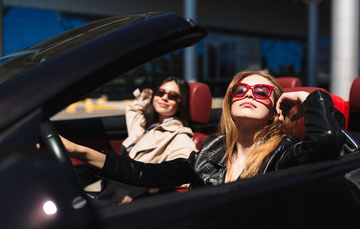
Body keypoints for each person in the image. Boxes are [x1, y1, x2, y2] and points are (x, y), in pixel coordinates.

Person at [62, 70, 345, 190]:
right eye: (240, 89)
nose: (249, 95)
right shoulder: (211, 149)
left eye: (261, 91)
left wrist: (311, 98)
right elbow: (146, 174)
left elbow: (325, 143)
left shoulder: (283, 153)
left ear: (275, 108)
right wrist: (77, 151)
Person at [63, 76, 197, 204]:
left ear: (181, 104)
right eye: (160, 92)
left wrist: (150, 188)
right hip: (107, 189)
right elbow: (134, 108)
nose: (164, 98)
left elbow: (189, 169)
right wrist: (151, 96)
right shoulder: (146, 125)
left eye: (173, 96)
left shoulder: (179, 134)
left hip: (122, 200)